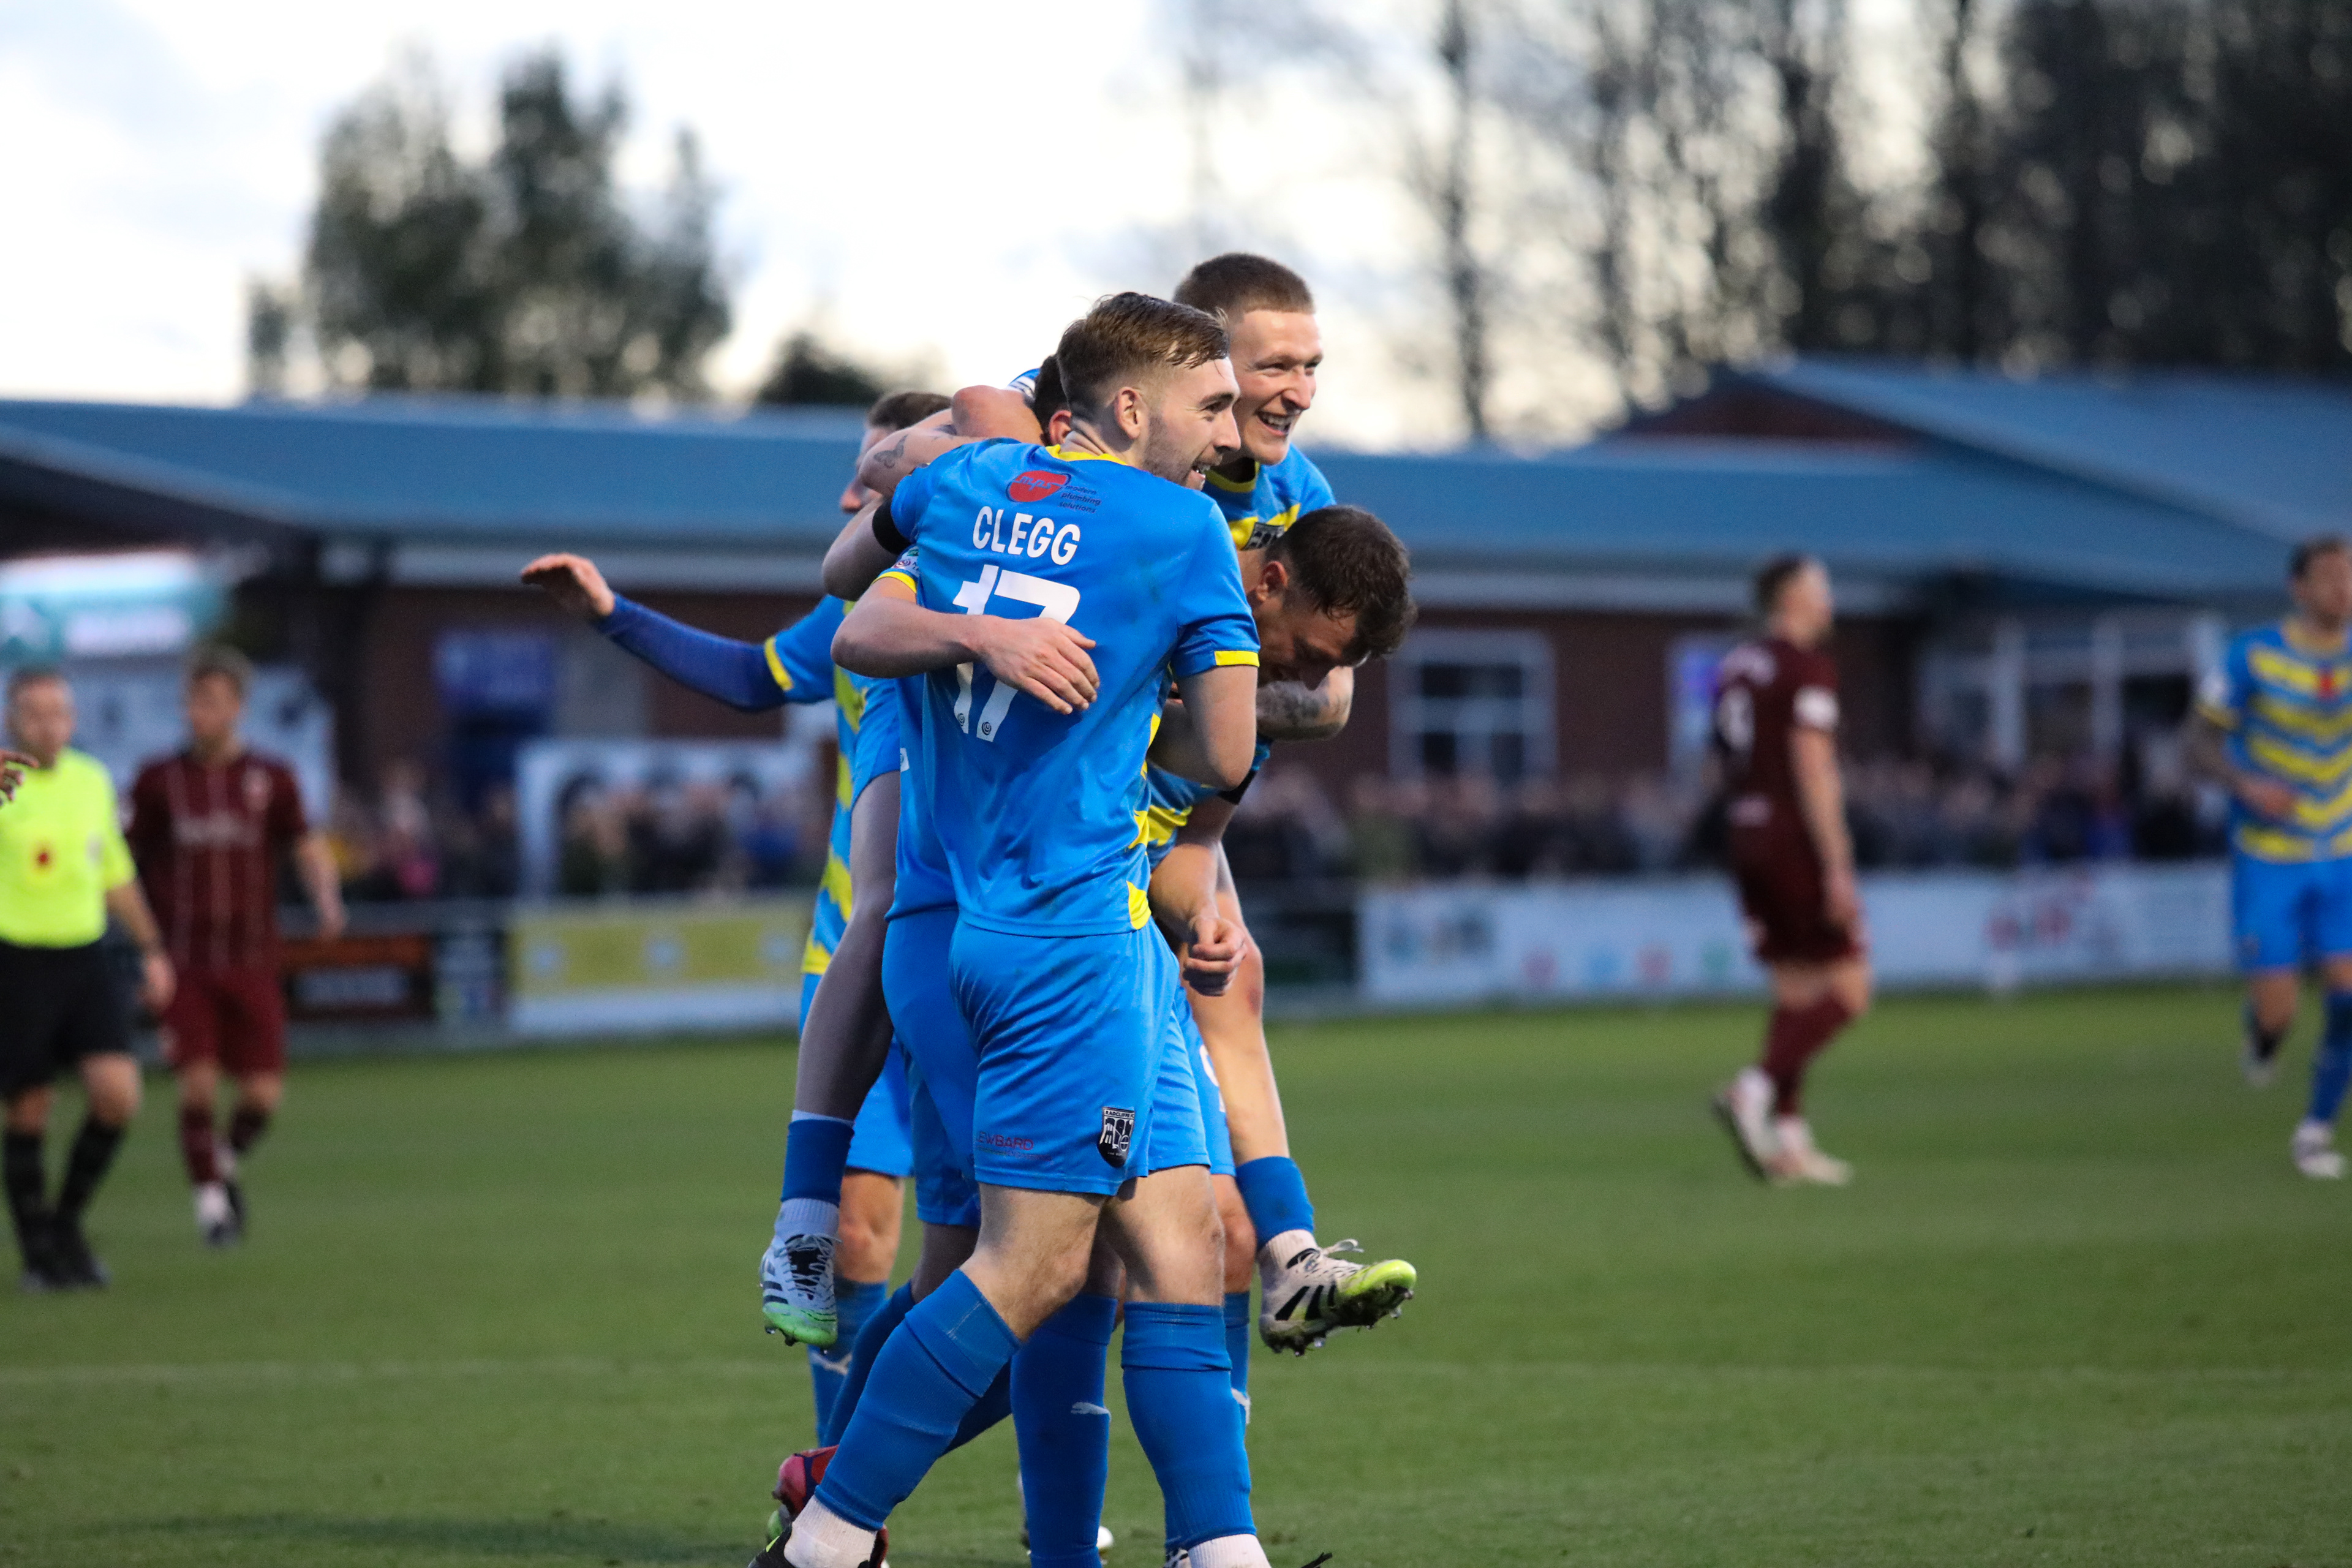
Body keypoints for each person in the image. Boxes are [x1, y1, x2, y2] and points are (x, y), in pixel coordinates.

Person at [777, 292, 1274, 1568]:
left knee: (1181, 1242)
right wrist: (1184, 697)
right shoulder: (1182, 529)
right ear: (1131, 408)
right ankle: (829, 1533)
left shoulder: (974, 484)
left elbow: (846, 598)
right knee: (1033, 1270)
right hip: (1071, 939)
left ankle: (1220, 1550)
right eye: (1212, 404)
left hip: (984, 929)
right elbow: (1227, 749)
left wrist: (977, 623)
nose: (1230, 433)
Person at [870, 255, 1419, 1363]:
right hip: (994, 845)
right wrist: (928, 497)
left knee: (1148, 1241)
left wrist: (1196, 709)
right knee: (1021, 1258)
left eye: (1312, 366)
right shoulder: (1105, 468)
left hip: (1105, 847)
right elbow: (937, 459)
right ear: (1193, 366)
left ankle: (1289, 1255)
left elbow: (1315, 700)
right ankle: (809, 1243)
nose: (1295, 392)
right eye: (1268, 368)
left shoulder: (1289, 496)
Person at [522, 387, 948, 1434]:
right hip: (855, 956)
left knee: (1002, 1253)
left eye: (877, 472)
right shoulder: (857, 606)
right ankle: (835, 1488)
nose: (849, 495)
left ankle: (1031, 1481)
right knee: (857, 1243)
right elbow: (755, 677)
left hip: (984, 958)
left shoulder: (1031, 594)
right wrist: (612, 614)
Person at [127, 645, 345, 1246]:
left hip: (252, 957)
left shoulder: (272, 778)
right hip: (185, 961)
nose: (199, 712)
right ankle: (212, 1211)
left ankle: (219, 1163)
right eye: (194, 700)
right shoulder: (158, 780)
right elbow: (126, 859)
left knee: (263, 1095)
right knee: (197, 1085)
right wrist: (137, 939)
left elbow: (305, 843)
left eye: (213, 701)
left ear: (239, 708)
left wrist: (327, 898)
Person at [1, 669, 173, 1288]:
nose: (48, 724)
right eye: (34, 713)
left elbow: (115, 873)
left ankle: (65, 1223)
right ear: (12, 720)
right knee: (30, 1108)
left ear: (73, 719)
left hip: (84, 956)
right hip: (16, 957)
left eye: (58, 712)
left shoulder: (92, 781)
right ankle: (37, 1252)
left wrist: (152, 948)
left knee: (118, 1093)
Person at [2188, 535, 2352, 1178]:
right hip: (2270, 854)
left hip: (2343, 847)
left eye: (2350, 574)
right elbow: (2196, 744)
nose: (2343, 587)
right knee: (2280, 1009)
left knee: (2348, 998)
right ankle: (2263, 1034)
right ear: (2299, 589)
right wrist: (2246, 785)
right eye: (2330, 576)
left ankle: (2315, 1130)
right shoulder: (2252, 655)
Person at [1709, 555, 1869, 1186]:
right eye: (1820, 586)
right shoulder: (1806, 667)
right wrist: (1837, 865)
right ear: (1790, 596)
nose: (1829, 599)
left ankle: (1792, 1141)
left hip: (1745, 833)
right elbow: (1813, 767)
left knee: (1797, 991)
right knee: (1851, 990)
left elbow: (1718, 760)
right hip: (1793, 836)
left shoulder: (1736, 665)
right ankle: (1751, 1091)